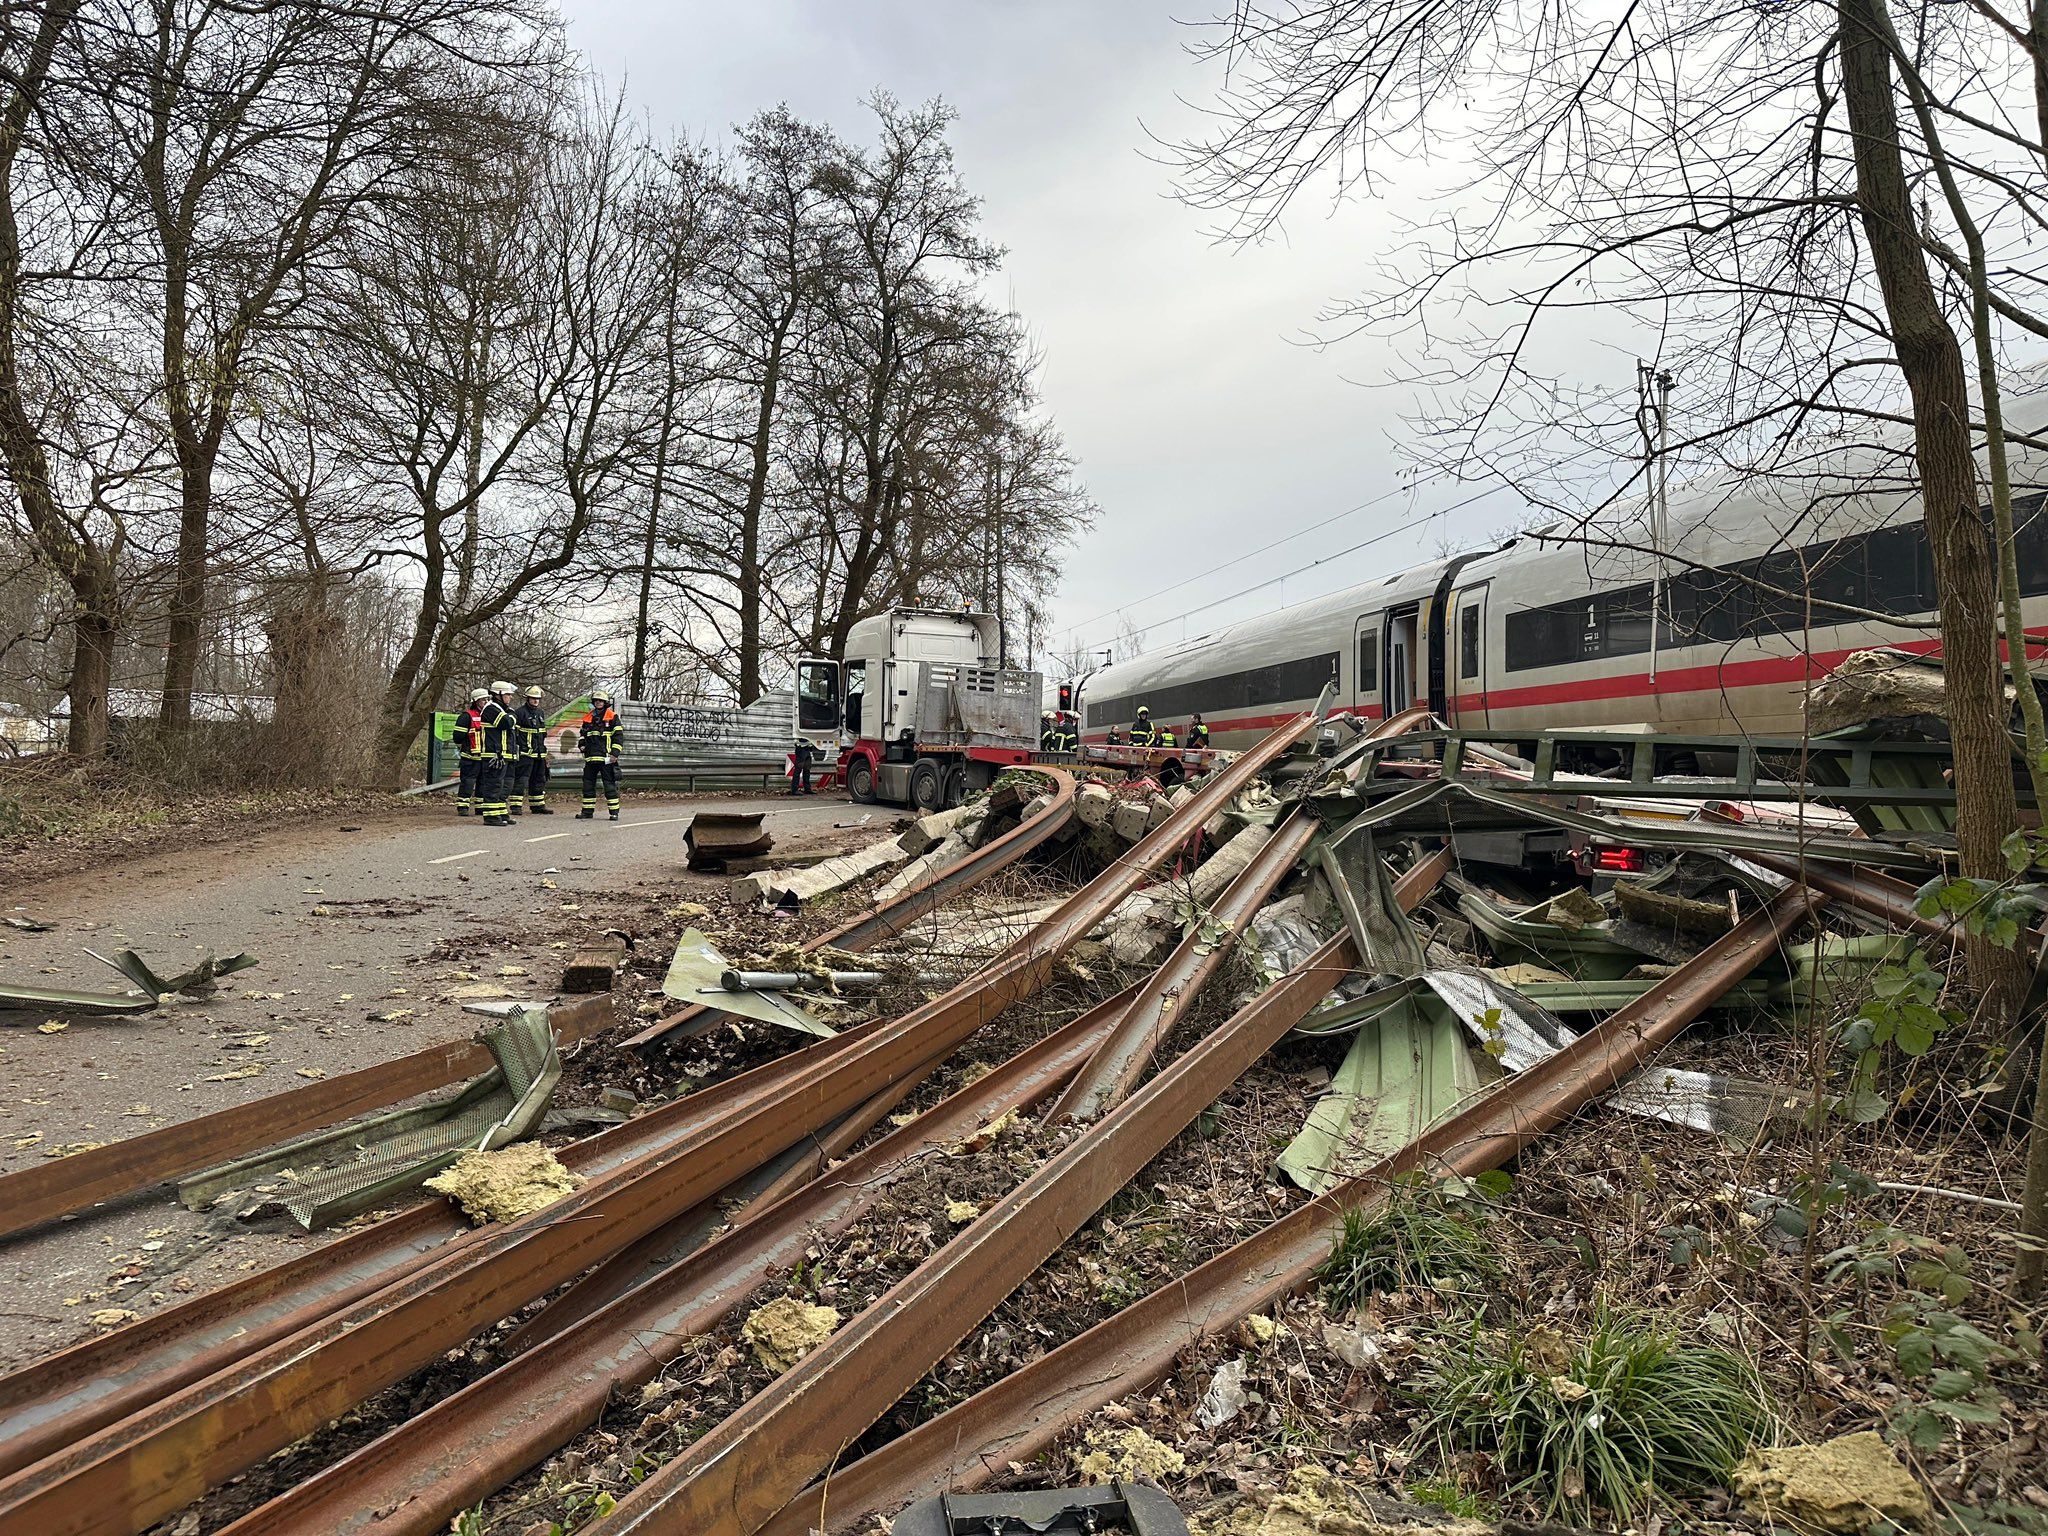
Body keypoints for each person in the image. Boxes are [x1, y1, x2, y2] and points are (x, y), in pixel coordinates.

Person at [476, 681, 518, 826]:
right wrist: (512, 716)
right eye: (507, 694)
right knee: (493, 785)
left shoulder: (501, 708)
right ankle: (491, 817)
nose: (510, 697)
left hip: (504, 754)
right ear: (498, 694)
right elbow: (506, 723)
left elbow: (511, 722)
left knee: (503, 786)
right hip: (493, 755)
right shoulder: (491, 709)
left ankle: (501, 813)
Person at [578, 689, 623, 820]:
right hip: (591, 758)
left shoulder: (612, 717)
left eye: (601, 701)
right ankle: (587, 812)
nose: (598, 702)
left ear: (605, 702)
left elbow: (619, 737)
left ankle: (614, 813)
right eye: (596, 700)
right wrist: (581, 745)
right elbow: (582, 735)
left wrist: (615, 754)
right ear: (594, 702)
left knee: (609, 786)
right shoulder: (588, 718)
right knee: (587, 785)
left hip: (606, 759)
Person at [514, 685, 552, 815]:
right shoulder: (520, 713)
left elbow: (541, 735)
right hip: (525, 754)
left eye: (538, 699)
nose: (536, 701)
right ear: (528, 698)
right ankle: (516, 806)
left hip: (539, 754)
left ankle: (537, 806)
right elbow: (515, 734)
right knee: (521, 780)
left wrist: (545, 754)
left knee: (539, 780)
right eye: (533, 698)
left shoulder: (540, 713)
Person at [455, 687, 487, 816]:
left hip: (484, 757)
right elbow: (457, 737)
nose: (486, 702)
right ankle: (463, 807)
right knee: (468, 783)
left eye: (487, 699)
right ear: (475, 701)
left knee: (483, 783)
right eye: (483, 699)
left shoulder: (488, 716)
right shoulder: (466, 716)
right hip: (470, 757)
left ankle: (480, 807)